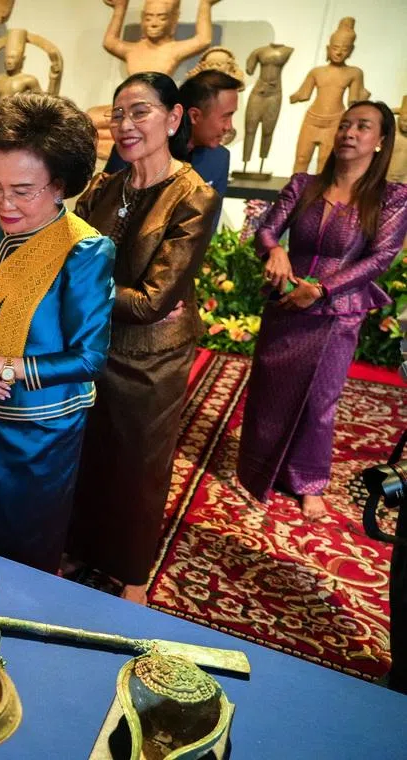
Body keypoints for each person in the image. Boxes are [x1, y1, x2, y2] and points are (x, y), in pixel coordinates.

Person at [66, 72, 220, 605]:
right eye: (118, 113)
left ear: (174, 119)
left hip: (153, 357)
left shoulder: (194, 196)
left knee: (138, 465)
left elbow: (153, 302)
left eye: (141, 112)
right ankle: (83, 545)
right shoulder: (105, 188)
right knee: (88, 451)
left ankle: (132, 571)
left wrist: (86, 283)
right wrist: (92, 284)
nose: (126, 125)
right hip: (92, 345)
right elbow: (64, 254)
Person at [0, 93, 116, 572]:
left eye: (23, 190)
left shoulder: (84, 250)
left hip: (43, 430)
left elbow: (90, 359)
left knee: (25, 551)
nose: (5, 203)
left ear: (60, 184)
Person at [238, 101, 407, 519]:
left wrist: (323, 288)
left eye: (362, 127)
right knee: (269, 391)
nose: (349, 133)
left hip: (337, 310)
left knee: (319, 400)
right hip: (285, 299)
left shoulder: (391, 198)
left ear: (380, 140)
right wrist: (274, 250)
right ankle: (259, 469)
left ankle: (309, 481)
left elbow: (380, 259)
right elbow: (267, 230)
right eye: (345, 124)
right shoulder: (304, 184)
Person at [105, 69, 240, 221]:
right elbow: (106, 214)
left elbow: (209, 223)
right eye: (226, 116)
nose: (228, 127)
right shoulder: (135, 150)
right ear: (194, 115)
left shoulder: (219, 158)